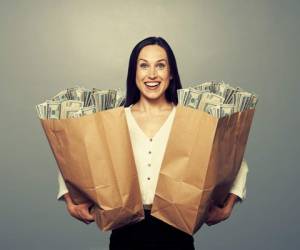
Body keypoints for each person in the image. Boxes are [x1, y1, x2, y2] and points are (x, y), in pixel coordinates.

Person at [57, 36, 249, 250]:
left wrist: (228, 206)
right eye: (143, 66)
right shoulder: (115, 119)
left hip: (177, 232)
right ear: (134, 73)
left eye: (160, 65)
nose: (152, 74)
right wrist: (69, 201)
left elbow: (233, 160)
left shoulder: (191, 119)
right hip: (125, 233)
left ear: (171, 73)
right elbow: (75, 159)